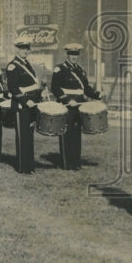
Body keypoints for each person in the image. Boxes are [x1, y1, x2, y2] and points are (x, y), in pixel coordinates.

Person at [50, 42, 101, 171]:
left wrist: (97, 94)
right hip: (67, 106)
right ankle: (67, 163)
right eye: (72, 54)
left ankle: (76, 163)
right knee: (67, 134)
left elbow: (86, 89)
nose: (74, 56)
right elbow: (55, 88)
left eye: (76, 54)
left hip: (79, 106)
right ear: (67, 54)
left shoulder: (80, 70)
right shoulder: (60, 69)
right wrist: (67, 99)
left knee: (76, 134)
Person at [6, 38, 42, 174]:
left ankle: (30, 166)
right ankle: (22, 167)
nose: (25, 51)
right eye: (22, 48)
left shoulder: (27, 64)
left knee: (29, 136)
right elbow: (13, 88)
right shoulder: (13, 66)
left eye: (27, 48)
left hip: (31, 105)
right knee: (22, 136)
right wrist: (26, 101)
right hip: (22, 106)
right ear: (17, 49)